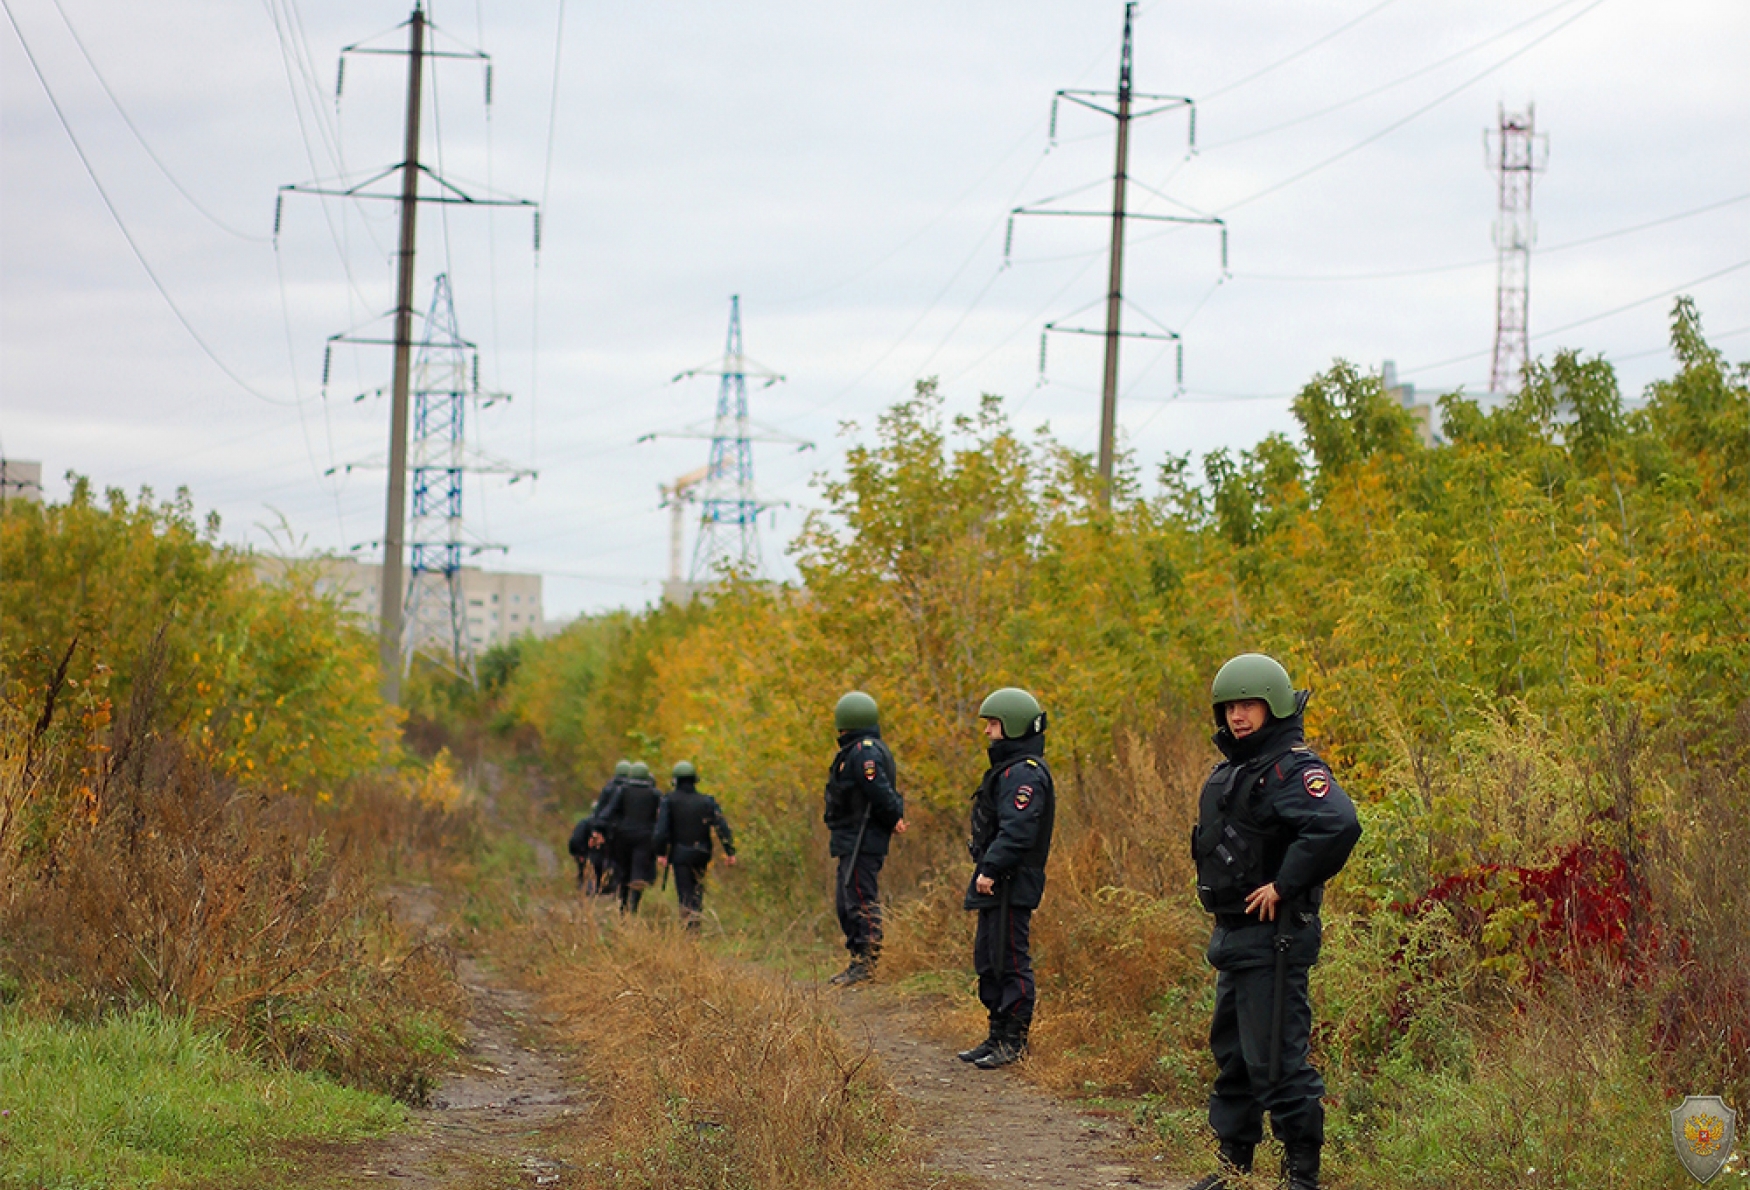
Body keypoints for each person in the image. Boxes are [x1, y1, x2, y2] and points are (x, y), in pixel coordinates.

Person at [1188, 654, 1361, 1190]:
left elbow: (1337, 823)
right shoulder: (1239, 769)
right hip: (1237, 937)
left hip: (1277, 937)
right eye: (1231, 707)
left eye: (1249, 705)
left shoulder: (1292, 767)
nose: (1238, 717)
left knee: (1277, 1061)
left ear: (1274, 706)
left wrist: (1284, 884)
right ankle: (1233, 1167)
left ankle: (1301, 1177)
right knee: (1235, 1058)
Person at [957, 687, 1055, 1070]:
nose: (988, 733)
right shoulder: (1007, 770)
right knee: (989, 958)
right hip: (996, 878)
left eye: (994, 725)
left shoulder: (1024, 774)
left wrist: (992, 868)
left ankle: (1013, 1040)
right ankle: (996, 1034)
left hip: (1010, 880)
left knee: (1010, 958)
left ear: (1012, 727)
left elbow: (1018, 830)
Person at [822, 691, 906, 986]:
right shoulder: (855, 750)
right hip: (849, 837)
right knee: (846, 900)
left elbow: (879, 789)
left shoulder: (865, 751)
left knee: (860, 898)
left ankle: (867, 963)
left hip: (863, 837)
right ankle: (857, 960)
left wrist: (895, 815)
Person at [653, 760, 737, 929]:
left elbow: (660, 831)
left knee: (685, 891)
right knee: (697, 890)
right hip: (702, 853)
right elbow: (722, 827)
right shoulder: (707, 801)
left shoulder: (669, 800)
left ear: (675, 780)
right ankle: (695, 924)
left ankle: (689, 930)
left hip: (680, 854)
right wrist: (730, 851)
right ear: (694, 780)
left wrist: (661, 852)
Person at [594, 761, 662, 914]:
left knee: (624, 870)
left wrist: (599, 828)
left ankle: (623, 905)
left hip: (623, 835)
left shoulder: (623, 790)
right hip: (645, 837)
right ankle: (634, 907)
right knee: (638, 871)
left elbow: (609, 810)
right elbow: (661, 817)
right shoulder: (655, 794)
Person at [570, 760, 631, 894]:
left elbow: (601, 810)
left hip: (605, 829)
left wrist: (596, 829)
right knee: (619, 860)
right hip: (622, 830)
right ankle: (615, 886)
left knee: (599, 857)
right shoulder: (630, 790)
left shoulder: (608, 788)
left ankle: (597, 885)